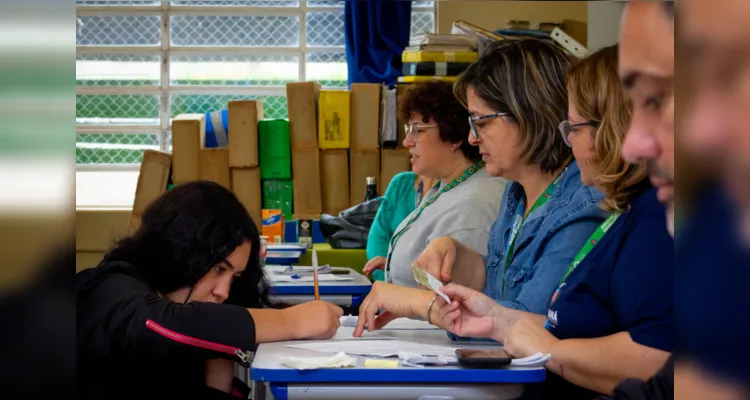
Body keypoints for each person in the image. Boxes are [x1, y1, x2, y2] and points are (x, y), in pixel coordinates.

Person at [429, 44, 675, 399]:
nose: (569, 143)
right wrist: (498, 321)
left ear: (613, 131)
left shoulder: (654, 220)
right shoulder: (632, 212)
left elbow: (657, 360)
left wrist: (549, 351)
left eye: (574, 128)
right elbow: (576, 329)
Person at [354, 39, 607, 335]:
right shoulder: (515, 194)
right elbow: (500, 286)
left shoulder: (581, 206)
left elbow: (532, 330)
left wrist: (417, 303)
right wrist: (460, 255)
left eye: (482, 123)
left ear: (529, 113)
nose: (473, 138)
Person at [77, 181, 343, 400]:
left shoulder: (185, 313)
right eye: (218, 269)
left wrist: (219, 368)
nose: (223, 292)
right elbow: (159, 325)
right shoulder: (108, 288)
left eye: (234, 277)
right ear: (180, 250)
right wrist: (290, 321)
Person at [373, 81, 506, 289]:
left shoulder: (474, 202)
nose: (407, 142)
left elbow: (452, 298)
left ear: (454, 136)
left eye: (417, 130)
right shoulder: (447, 186)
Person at [364, 171, 436, 282]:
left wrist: (395, 270)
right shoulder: (401, 183)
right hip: (390, 282)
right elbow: (378, 236)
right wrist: (386, 280)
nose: (410, 152)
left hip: (420, 288)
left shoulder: (451, 192)